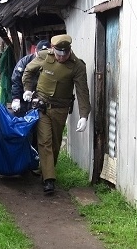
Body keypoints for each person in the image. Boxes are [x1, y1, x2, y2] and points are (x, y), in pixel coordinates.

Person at [22, 34, 91, 194]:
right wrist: (27, 89)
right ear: (53, 50)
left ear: (69, 51)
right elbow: (28, 71)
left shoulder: (77, 66)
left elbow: (82, 92)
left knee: (55, 143)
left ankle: (45, 169)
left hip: (60, 109)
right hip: (41, 106)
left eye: (64, 54)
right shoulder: (43, 56)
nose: (61, 58)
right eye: (58, 54)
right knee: (44, 141)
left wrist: (84, 115)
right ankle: (49, 180)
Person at [10, 39, 50, 116]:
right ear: (35, 51)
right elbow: (16, 79)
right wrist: (16, 98)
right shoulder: (25, 61)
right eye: (40, 54)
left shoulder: (51, 63)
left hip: (41, 98)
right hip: (23, 95)